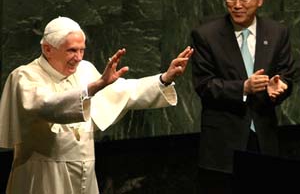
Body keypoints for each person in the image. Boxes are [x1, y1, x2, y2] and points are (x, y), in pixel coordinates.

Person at [0, 16, 193, 194]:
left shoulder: (84, 70)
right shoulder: (24, 76)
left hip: (85, 169)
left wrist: (164, 79)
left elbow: (125, 92)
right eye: (72, 50)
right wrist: (95, 87)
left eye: (82, 49)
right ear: (47, 49)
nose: (79, 57)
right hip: (43, 172)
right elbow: (46, 105)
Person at [191, 0, 294, 193]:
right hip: (223, 146)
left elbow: (287, 76)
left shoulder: (277, 33)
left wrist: (280, 87)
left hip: (264, 140)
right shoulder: (206, 35)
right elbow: (204, 85)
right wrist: (244, 87)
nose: (236, 4)